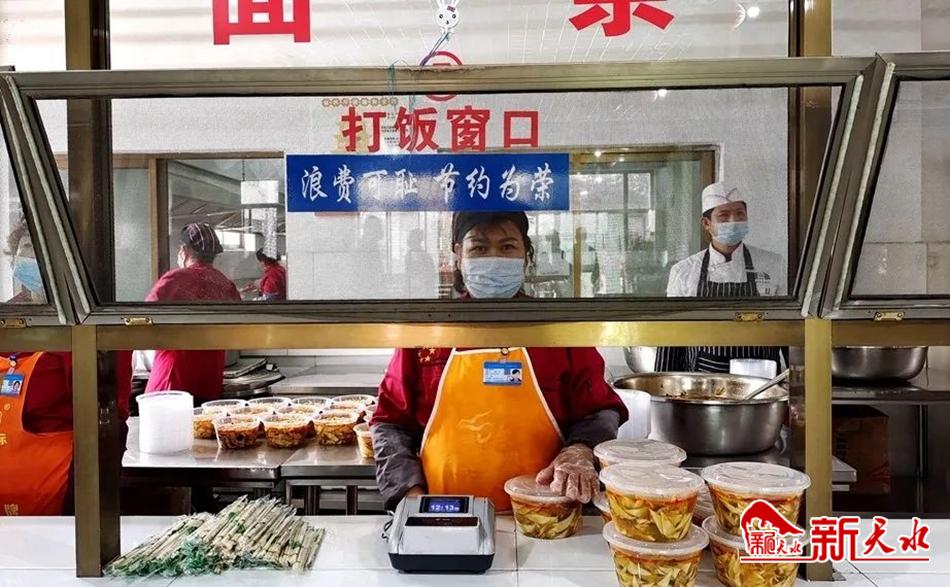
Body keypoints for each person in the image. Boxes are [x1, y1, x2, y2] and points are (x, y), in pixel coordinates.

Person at [371, 211, 628, 511]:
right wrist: (412, 499)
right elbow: (390, 423)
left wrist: (580, 451)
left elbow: (600, 411)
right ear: (458, 255)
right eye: (479, 248)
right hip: (447, 515)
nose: (493, 259)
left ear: (526, 255)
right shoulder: (430, 333)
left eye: (507, 247)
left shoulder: (557, 332)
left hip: (547, 517)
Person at [1, 222, 132, 516]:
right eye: (26, 249)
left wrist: (87, 498)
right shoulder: (10, 314)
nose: (31, 259)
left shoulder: (89, 324)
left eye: (42, 251)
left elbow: (106, 418)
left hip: (59, 488)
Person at [655, 182, 786, 373]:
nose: (734, 221)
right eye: (724, 216)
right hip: (702, 380)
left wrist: (802, 378)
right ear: (706, 224)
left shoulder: (772, 264)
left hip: (761, 379)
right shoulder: (683, 272)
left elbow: (787, 326)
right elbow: (671, 336)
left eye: (739, 214)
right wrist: (663, 385)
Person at [145, 223, 240, 401]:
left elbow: (144, 317)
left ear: (184, 251)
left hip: (173, 376)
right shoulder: (225, 284)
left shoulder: (175, 279)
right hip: (210, 377)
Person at [403, 228, 437, 298]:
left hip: (423, 289)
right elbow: (407, 272)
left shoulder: (425, 256)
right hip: (412, 289)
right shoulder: (408, 255)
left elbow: (431, 274)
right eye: (409, 239)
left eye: (412, 239)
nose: (409, 241)